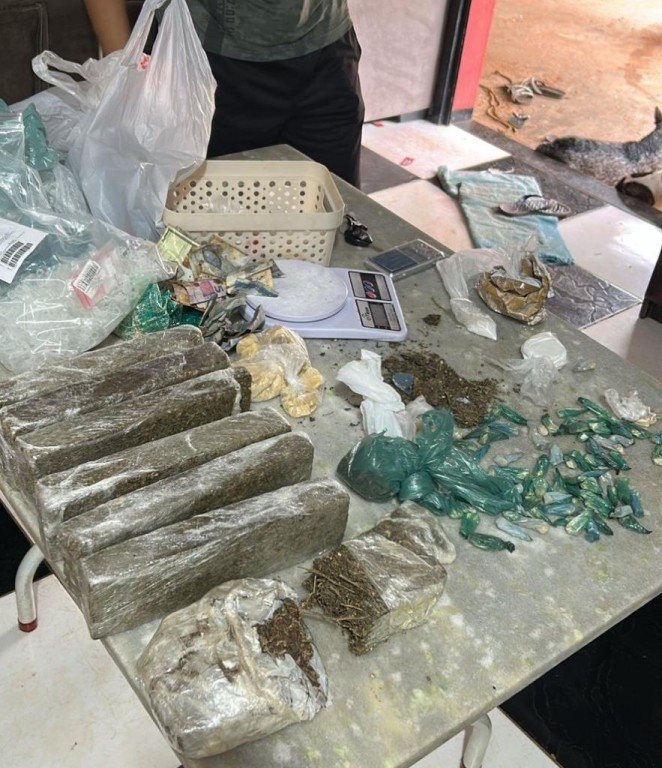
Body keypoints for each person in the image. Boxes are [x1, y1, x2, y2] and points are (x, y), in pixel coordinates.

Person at [82, 0, 364, 186]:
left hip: (325, 55)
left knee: (334, 224)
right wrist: (124, 72)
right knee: (210, 238)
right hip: (203, 67)